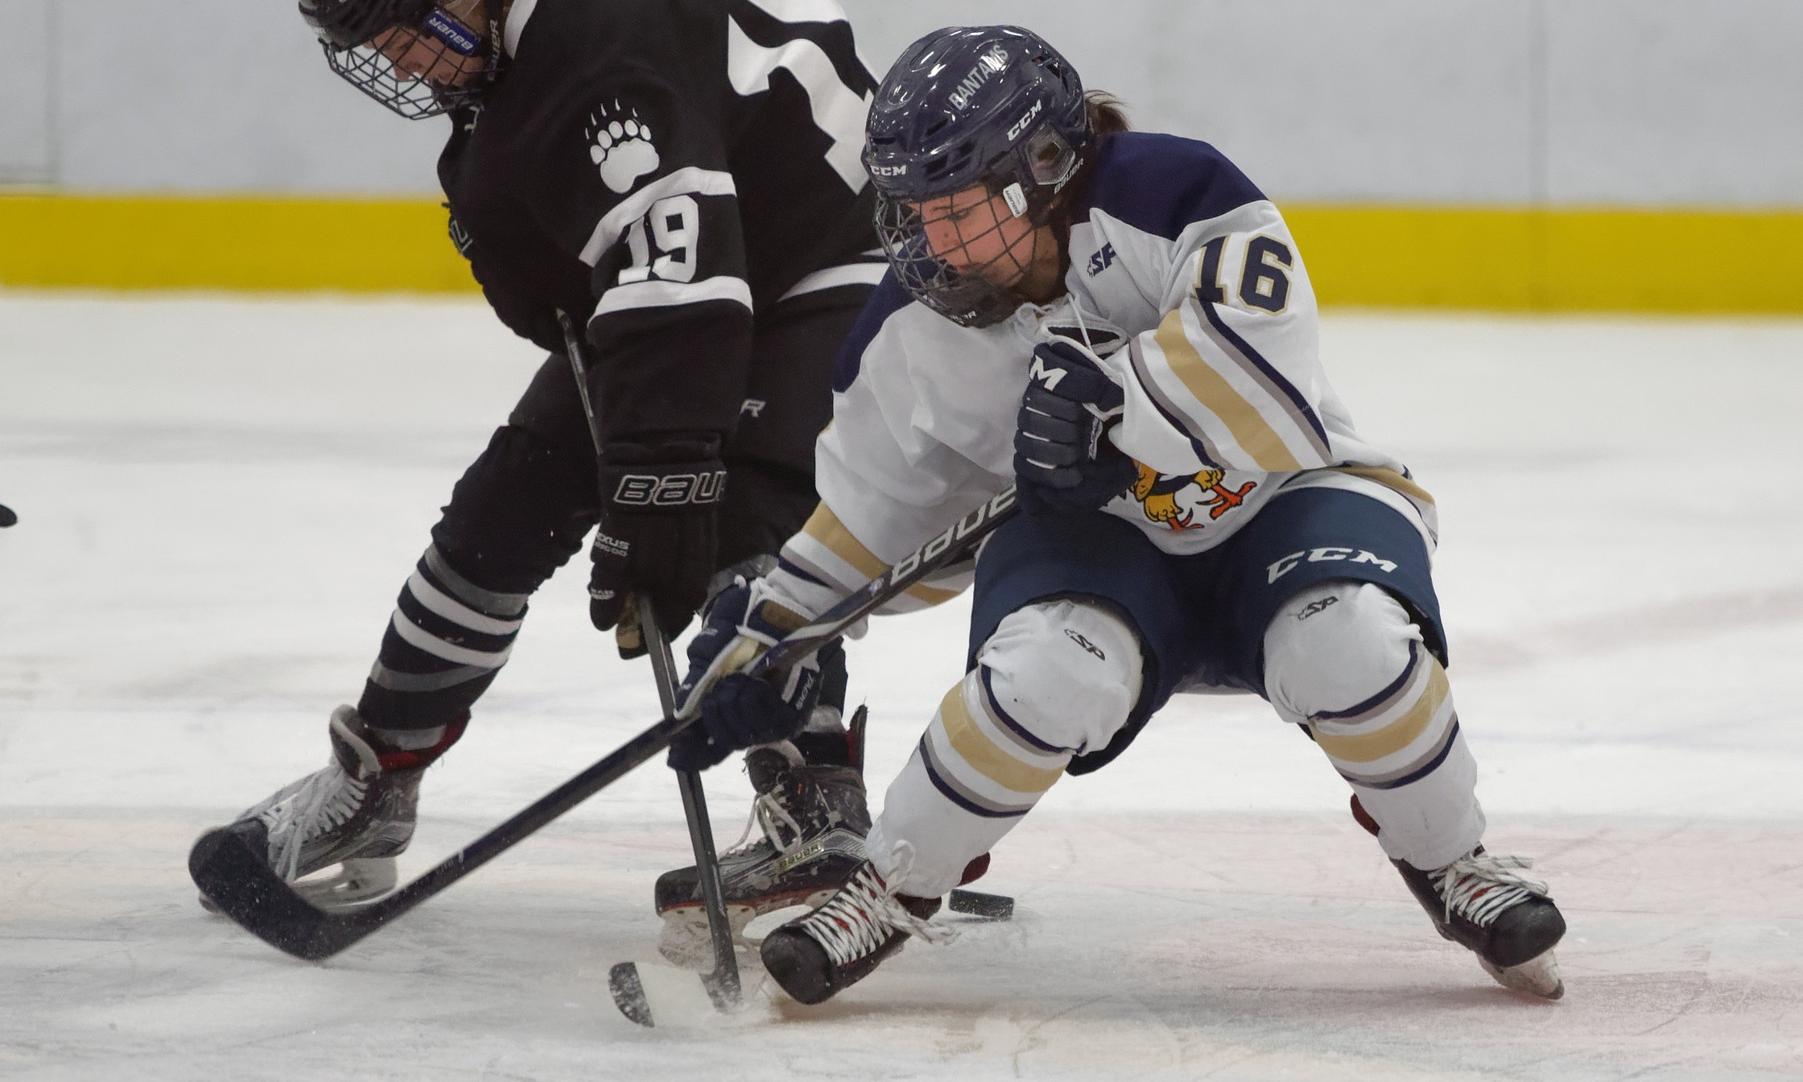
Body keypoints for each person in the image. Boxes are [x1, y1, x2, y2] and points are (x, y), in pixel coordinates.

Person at [674, 24, 1569, 1005]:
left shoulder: (1176, 193)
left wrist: (1115, 400)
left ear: (1046, 168)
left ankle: (1451, 857)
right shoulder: (905, 331)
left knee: (1347, 638)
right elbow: (873, 519)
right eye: (914, 212)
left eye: (960, 211)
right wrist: (774, 629)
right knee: (1047, 670)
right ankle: (892, 885)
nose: (933, 246)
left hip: (1279, 495)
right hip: (1093, 542)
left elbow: (1269, 379)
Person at [197, 0, 892, 947]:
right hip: (719, 271)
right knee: (506, 506)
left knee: (733, 513)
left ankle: (817, 801)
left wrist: (660, 473)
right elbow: (613, 275)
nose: (394, 58)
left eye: (404, 26)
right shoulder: (516, 66)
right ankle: (378, 778)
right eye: (369, 42)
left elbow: (678, 265)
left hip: (839, 260)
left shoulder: (598, 41)